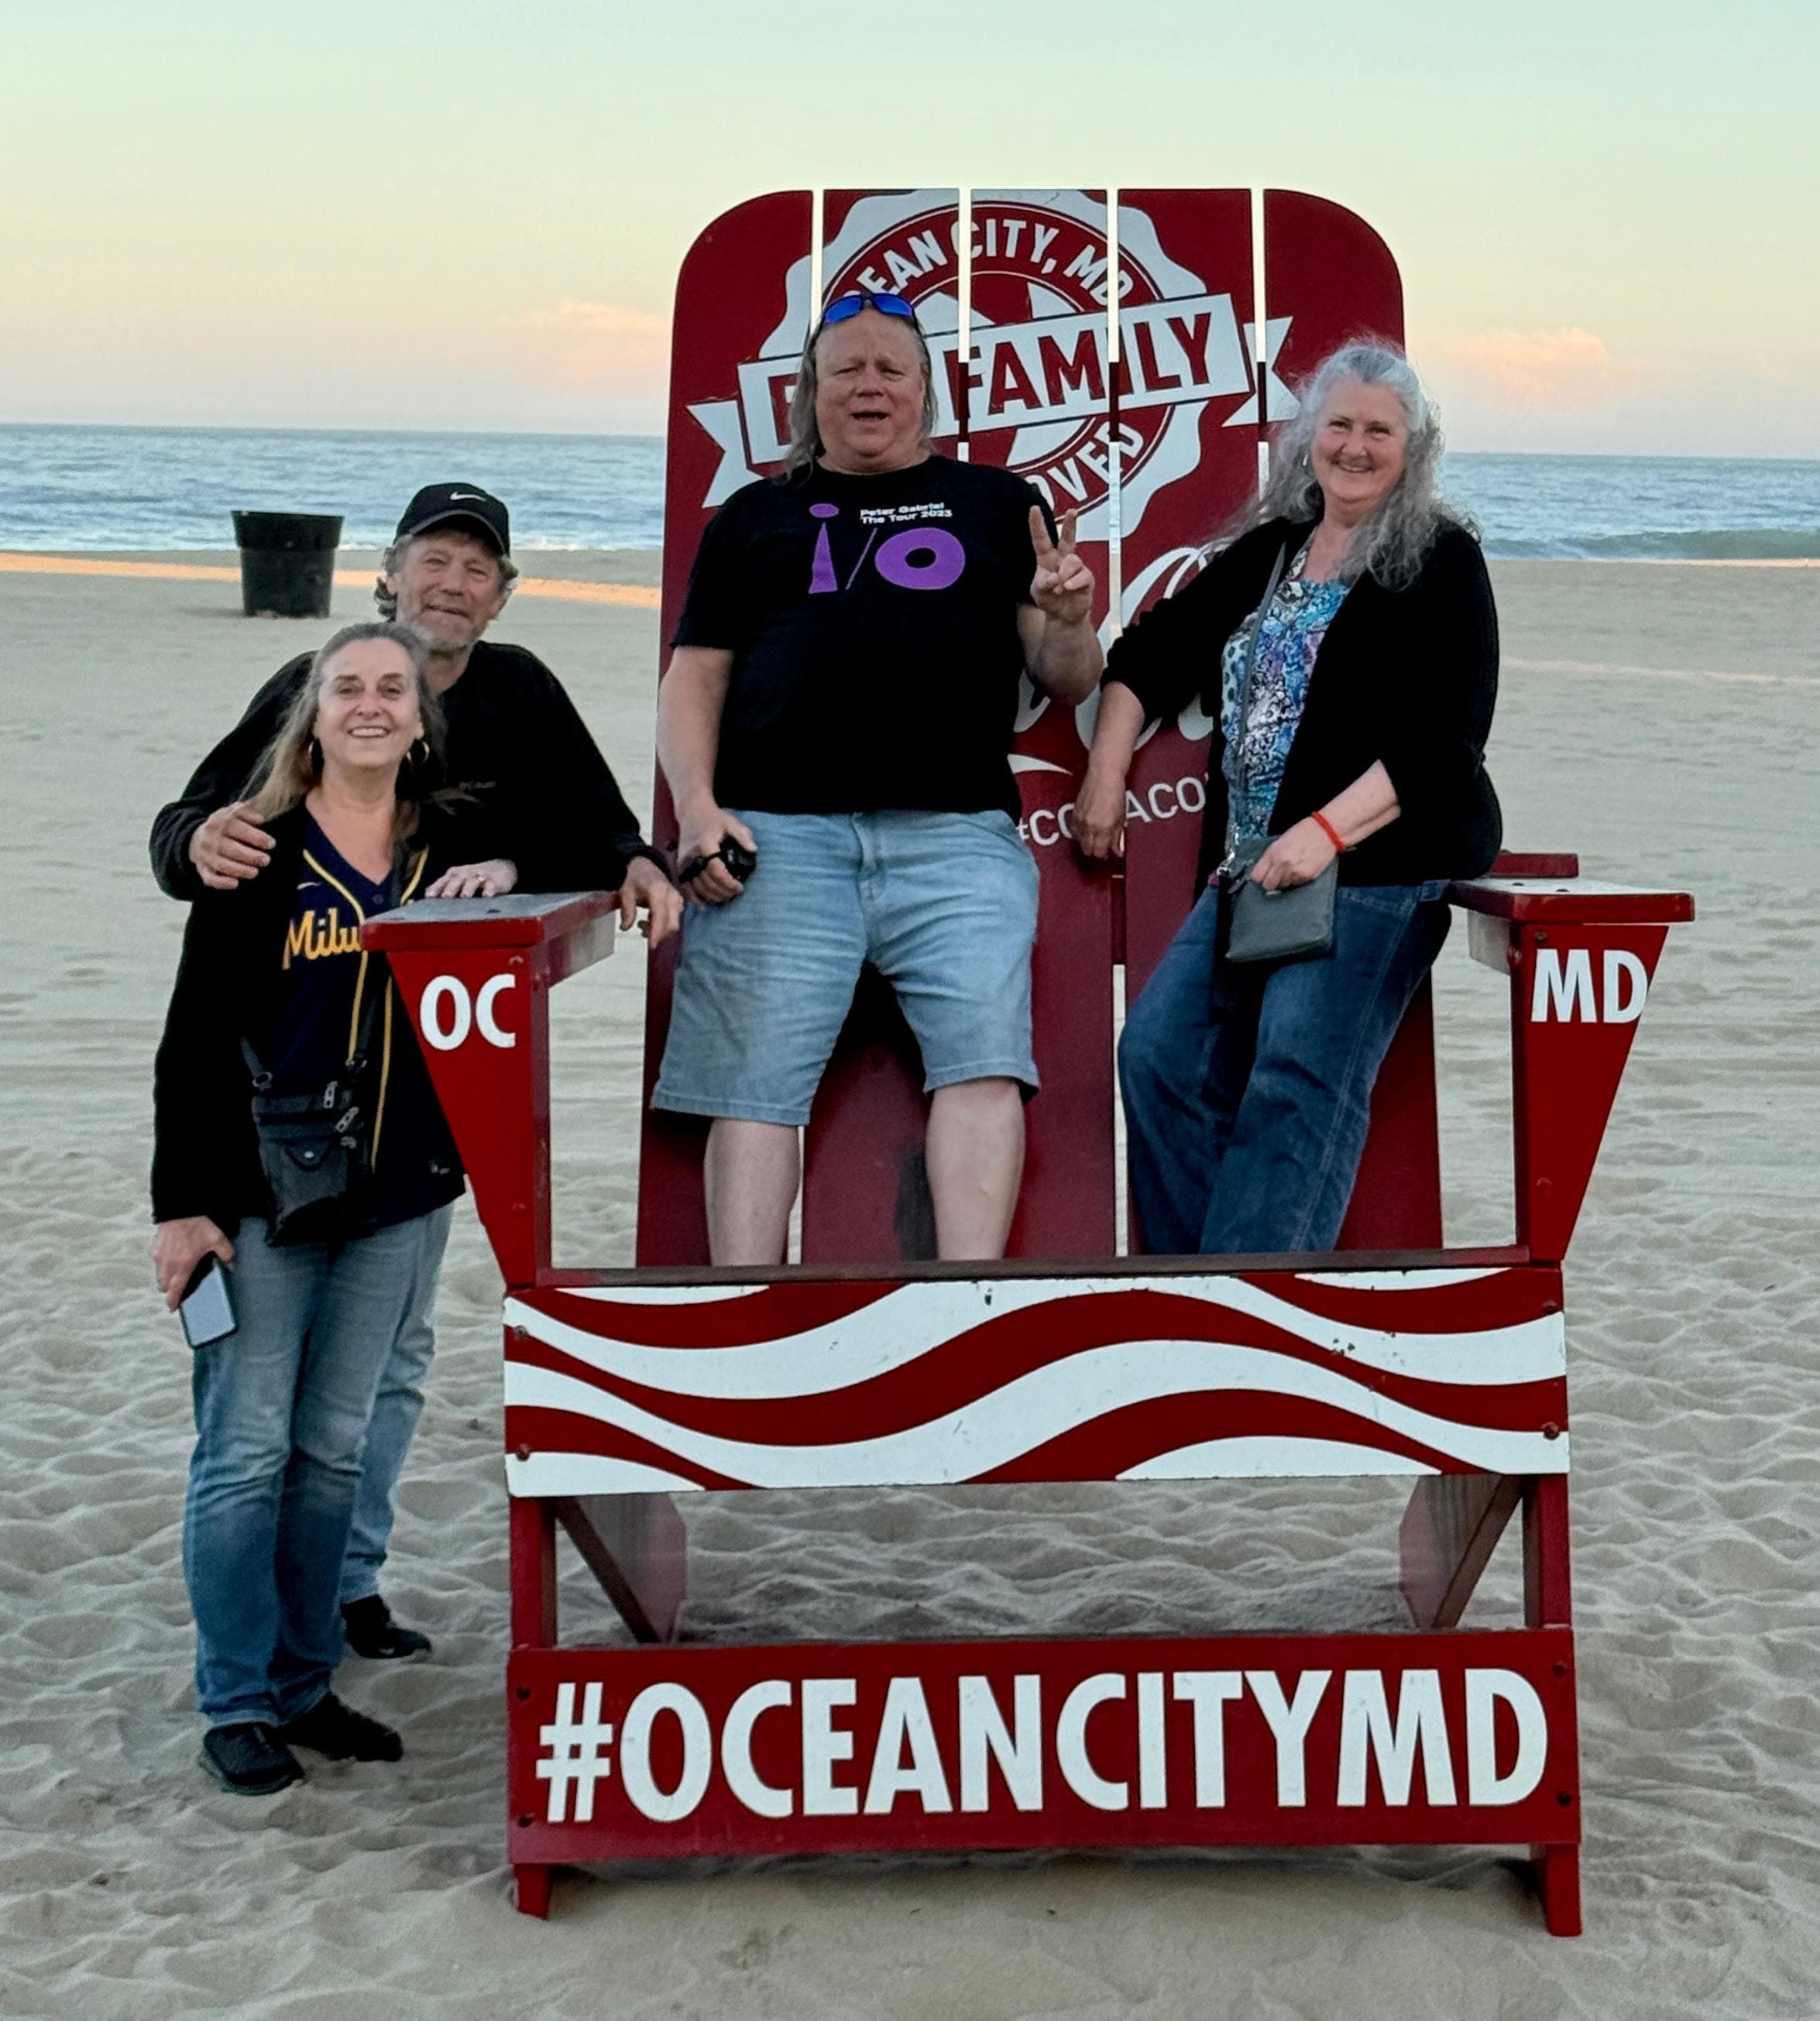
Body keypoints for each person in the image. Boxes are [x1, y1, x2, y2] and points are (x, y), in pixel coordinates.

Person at [149, 482, 681, 1661]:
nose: (451, 583)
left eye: (474, 567)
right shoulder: (311, 698)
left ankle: (345, 1587)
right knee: (258, 1422)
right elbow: (192, 829)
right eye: (430, 560)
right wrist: (191, 841)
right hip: (277, 1123)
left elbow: (594, 826)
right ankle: (264, 1658)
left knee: (383, 1375)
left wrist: (546, 856)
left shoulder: (515, 692)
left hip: (422, 1117)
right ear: (386, 575)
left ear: (501, 593)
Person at [651, 292, 1104, 1264]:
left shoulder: (998, 503)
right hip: (778, 835)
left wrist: (1069, 617)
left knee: (985, 1066)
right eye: (844, 369)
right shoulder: (753, 516)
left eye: (890, 368)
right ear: (810, 395)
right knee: (753, 1085)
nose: (867, 385)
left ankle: (967, 1297)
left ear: (925, 393)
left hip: (955, 836)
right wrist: (696, 809)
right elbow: (694, 677)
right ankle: (748, 1307)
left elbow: (1067, 679)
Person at [150, 623, 517, 1795]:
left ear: (421, 716)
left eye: (390, 688)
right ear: (311, 714)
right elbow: (193, 1039)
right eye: (345, 687)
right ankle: (240, 1697)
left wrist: (507, 871)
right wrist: (182, 1208)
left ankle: (308, 1680)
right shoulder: (260, 850)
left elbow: (578, 845)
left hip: (396, 1194)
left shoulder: (450, 840)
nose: (368, 704)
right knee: (246, 1448)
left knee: (330, 1451)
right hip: (261, 1194)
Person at [1074, 341, 1501, 1256]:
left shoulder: (1441, 558)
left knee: (1295, 1076)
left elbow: (1446, 741)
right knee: (1155, 1056)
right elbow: (1147, 659)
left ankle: (1254, 1304)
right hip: (1255, 869)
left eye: (1378, 430)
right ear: (1308, 437)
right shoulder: (1274, 551)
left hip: (1376, 868)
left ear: (1412, 446)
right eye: (1338, 424)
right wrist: (1105, 775)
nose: (1354, 446)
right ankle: (1207, 1289)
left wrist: (1322, 831)